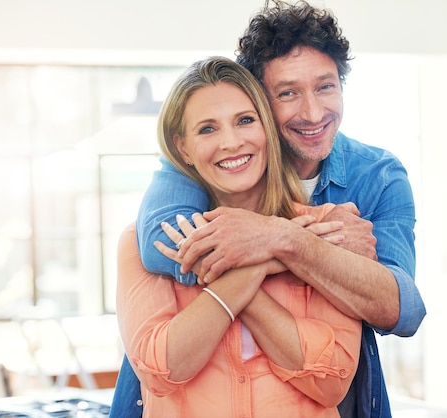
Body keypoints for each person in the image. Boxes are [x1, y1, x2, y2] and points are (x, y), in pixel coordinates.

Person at [111, 1, 426, 417]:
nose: (313, 113)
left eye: (326, 86)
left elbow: (402, 311)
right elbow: (154, 246)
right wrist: (290, 251)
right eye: (288, 93)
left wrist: (282, 238)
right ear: (259, 98)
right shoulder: (196, 164)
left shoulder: (377, 175)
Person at [116, 56, 362, 417]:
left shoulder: (327, 228)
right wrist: (272, 255)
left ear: (268, 130)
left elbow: (331, 381)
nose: (231, 142)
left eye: (245, 121)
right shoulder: (145, 242)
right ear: (183, 148)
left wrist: (271, 244)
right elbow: (162, 370)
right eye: (207, 129)